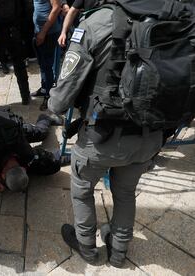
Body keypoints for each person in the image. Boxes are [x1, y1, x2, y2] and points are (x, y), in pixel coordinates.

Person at [47, 0, 192, 267]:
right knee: (125, 193)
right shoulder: (178, 19)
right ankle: (119, 251)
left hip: (101, 138)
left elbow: (59, 102)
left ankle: (87, 247)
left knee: (82, 189)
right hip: (150, 136)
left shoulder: (96, 22)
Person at [0, 107, 69, 192]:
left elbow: (47, 159)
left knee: (41, 134)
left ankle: (45, 118)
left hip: (8, 129)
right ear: (24, 168)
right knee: (40, 137)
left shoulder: (26, 153)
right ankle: (45, 119)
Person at [0, 0, 31, 109]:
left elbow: (25, 7)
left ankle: (25, 95)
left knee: (19, 65)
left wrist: (22, 29)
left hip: (12, 28)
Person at [31, 0, 62, 111]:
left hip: (48, 33)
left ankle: (48, 95)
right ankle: (44, 88)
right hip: (38, 31)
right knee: (42, 65)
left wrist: (43, 32)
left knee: (47, 66)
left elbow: (56, 8)